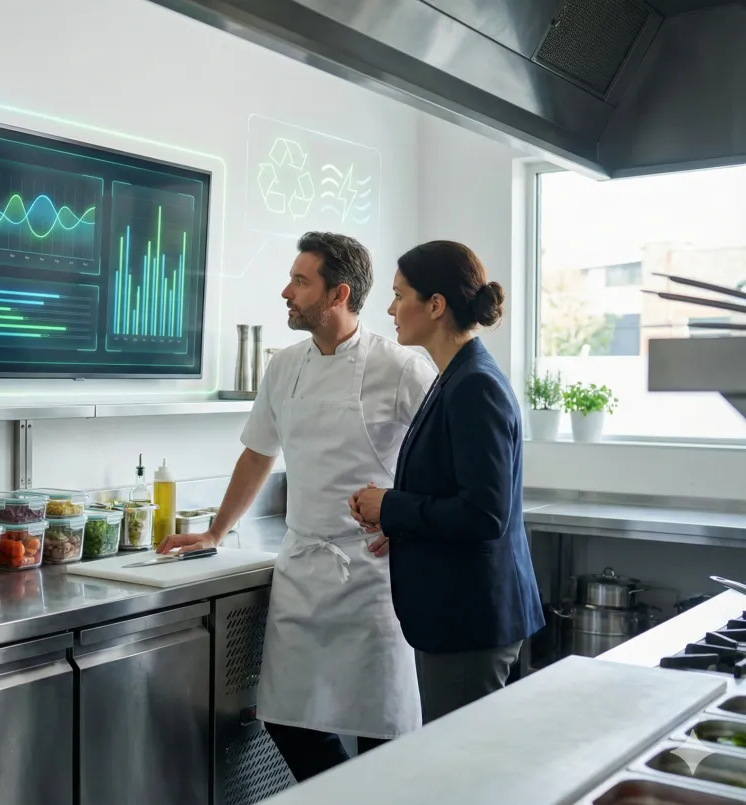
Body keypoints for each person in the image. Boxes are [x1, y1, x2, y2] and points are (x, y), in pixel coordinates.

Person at [158, 231, 437, 782]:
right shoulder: (284, 366)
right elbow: (258, 452)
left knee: (384, 733)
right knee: (287, 719)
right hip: (302, 571)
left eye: (300, 281)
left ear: (338, 294)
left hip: (371, 577)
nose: (286, 291)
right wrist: (215, 532)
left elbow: (442, 453)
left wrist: (408, 519)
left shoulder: (401, 367)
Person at [349, 240, 545, 725]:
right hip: (462, 617)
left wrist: (390, 507)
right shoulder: (453, 376)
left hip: (468, 622)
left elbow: (483, 514)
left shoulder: (474, 384)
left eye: (399, 295)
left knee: (462, 780)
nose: (391, 309)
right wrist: (399, 521)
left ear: (435, 305)